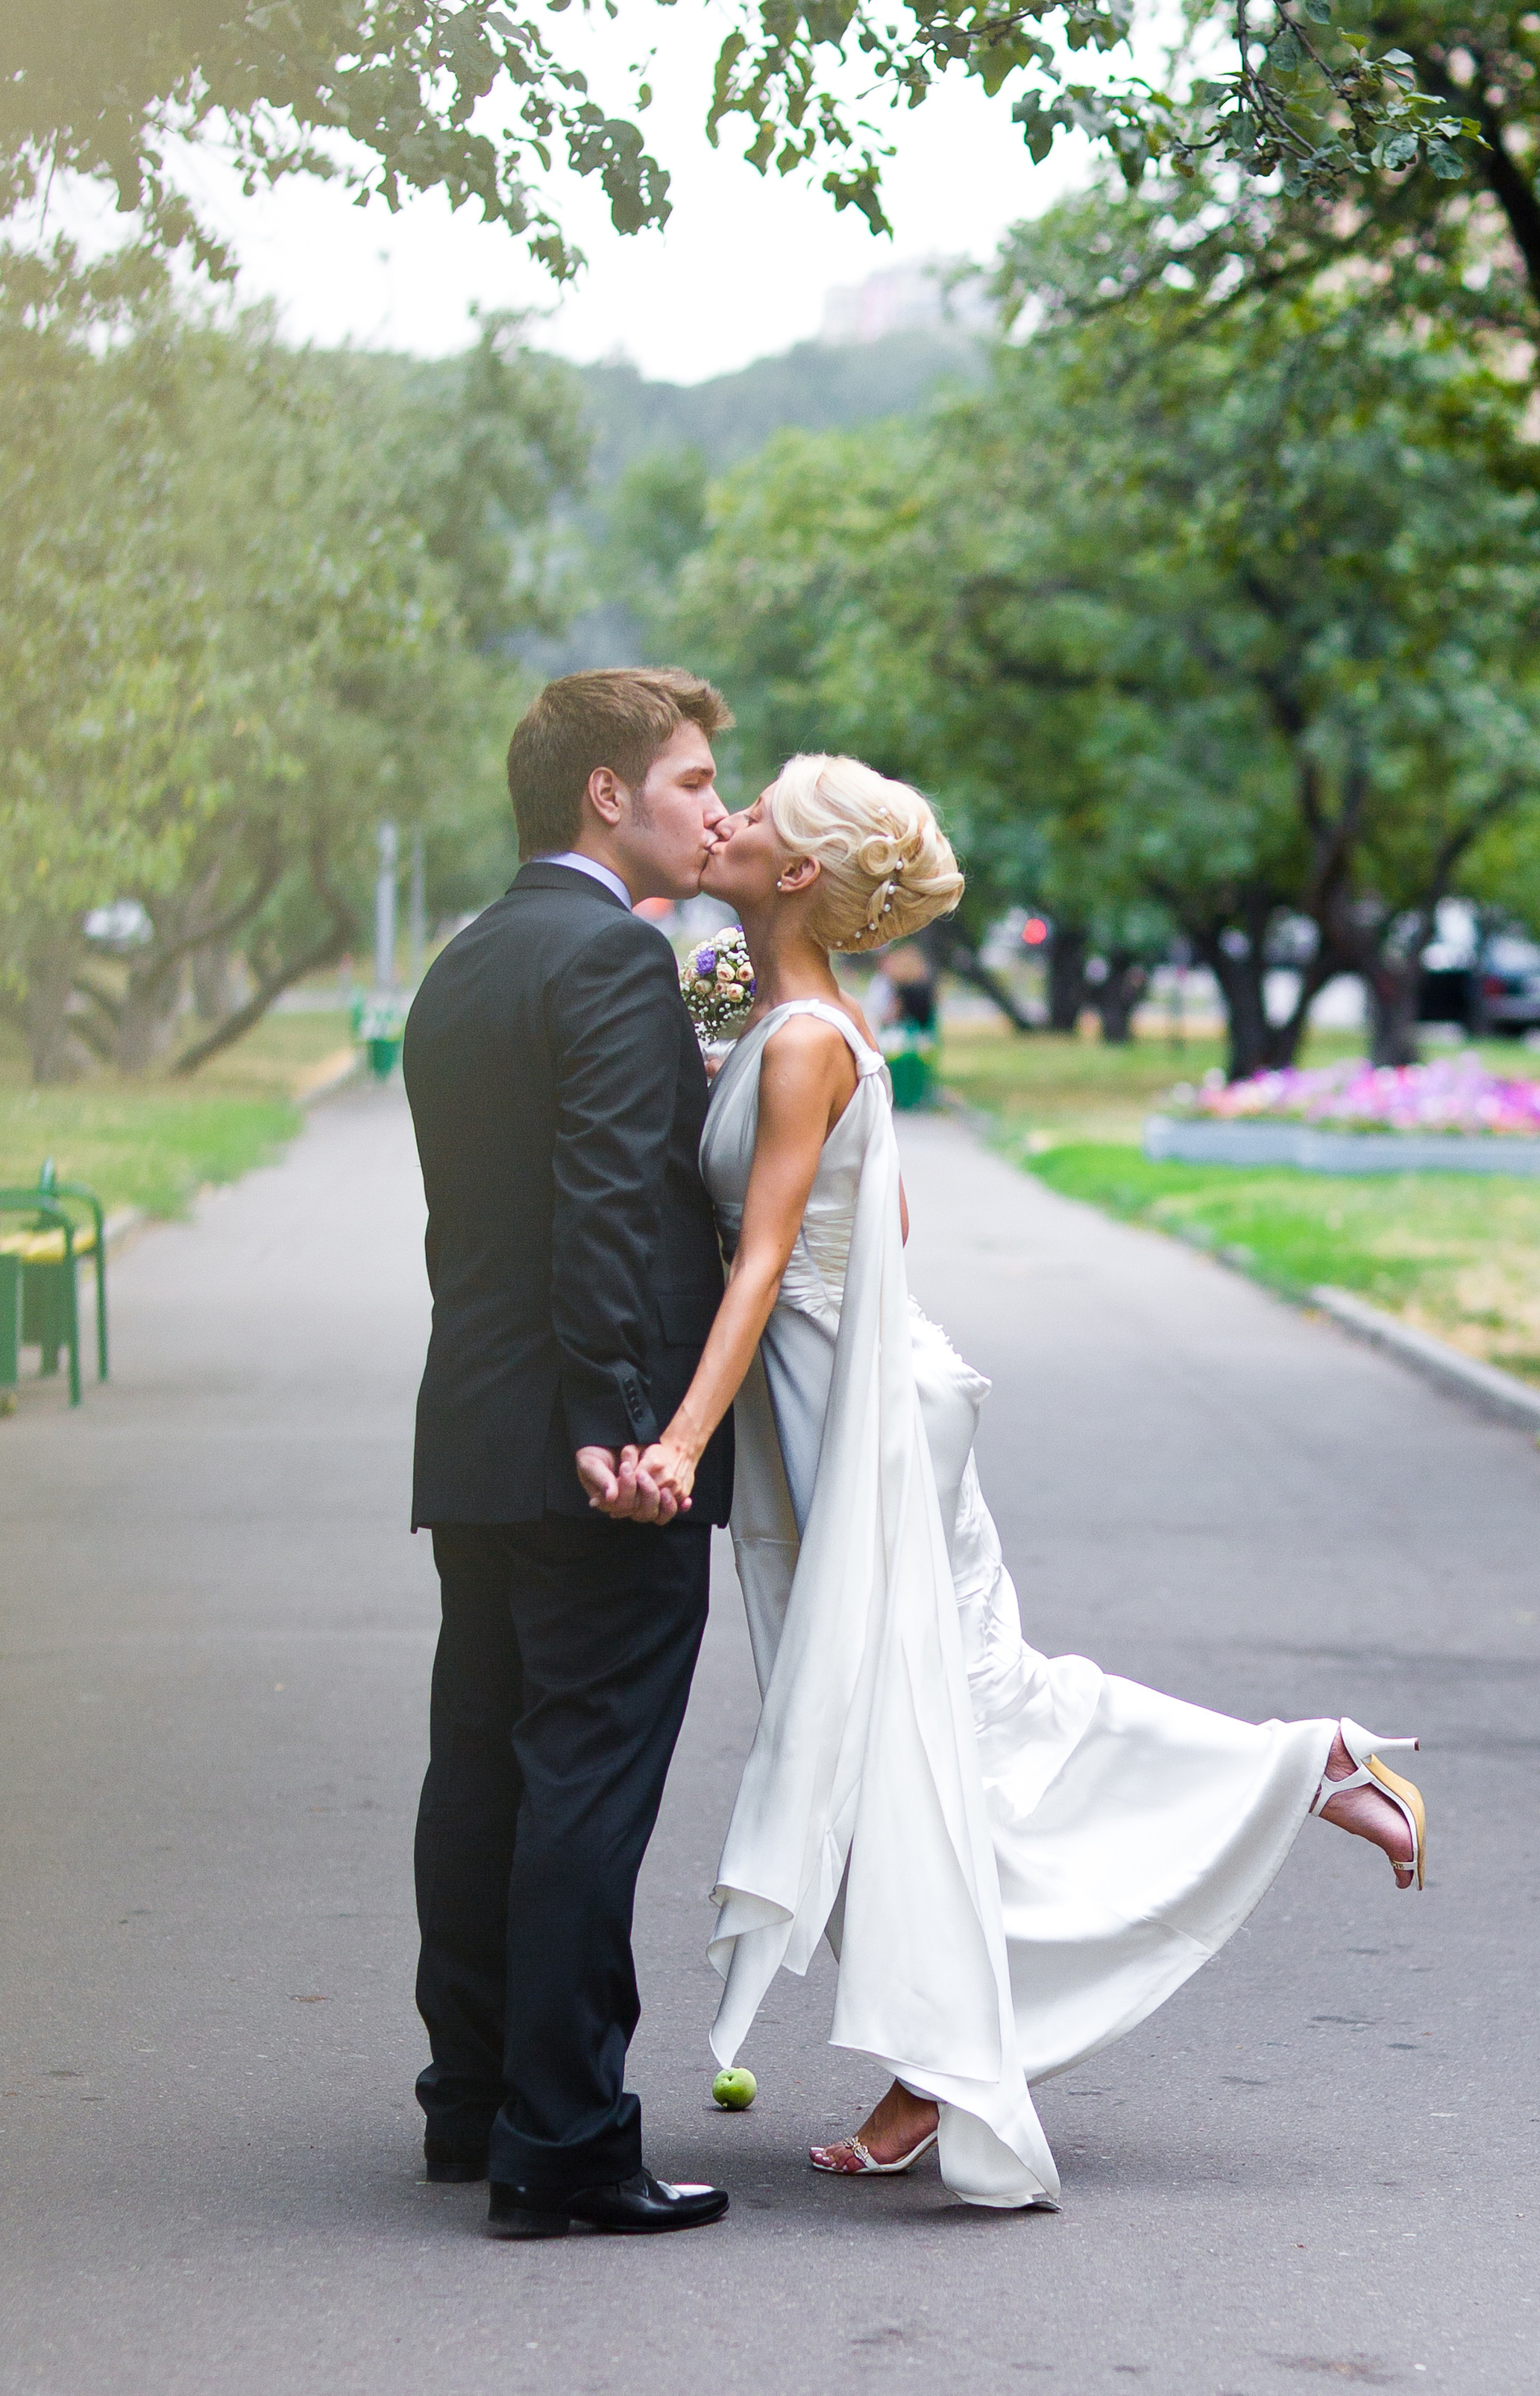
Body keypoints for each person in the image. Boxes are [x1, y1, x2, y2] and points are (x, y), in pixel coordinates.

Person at [581, 752, 1428, 2213]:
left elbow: (768, 1263)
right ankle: (1300, 1771)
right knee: (968, 1725)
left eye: (755, 811)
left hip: (858, 1432)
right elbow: (884, 1213)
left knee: (888, 1745)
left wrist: (678, 1440)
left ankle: (946, 2059)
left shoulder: (802, 1041)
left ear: (798, 874)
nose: (724, 817)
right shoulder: (796, 1023)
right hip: (852, 1404)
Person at [403, 667, 736, 2241]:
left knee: (482, 1768)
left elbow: (479, 1217)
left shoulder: (467, 958)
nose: (712, 809)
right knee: (584, 1782)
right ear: (606, 793)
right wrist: (618, 1420)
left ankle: (471, 2105)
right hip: (590, 1449)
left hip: (477, 1430)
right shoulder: (610, 956)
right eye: (692, 780)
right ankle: (568, 2142)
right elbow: (606, 1201)